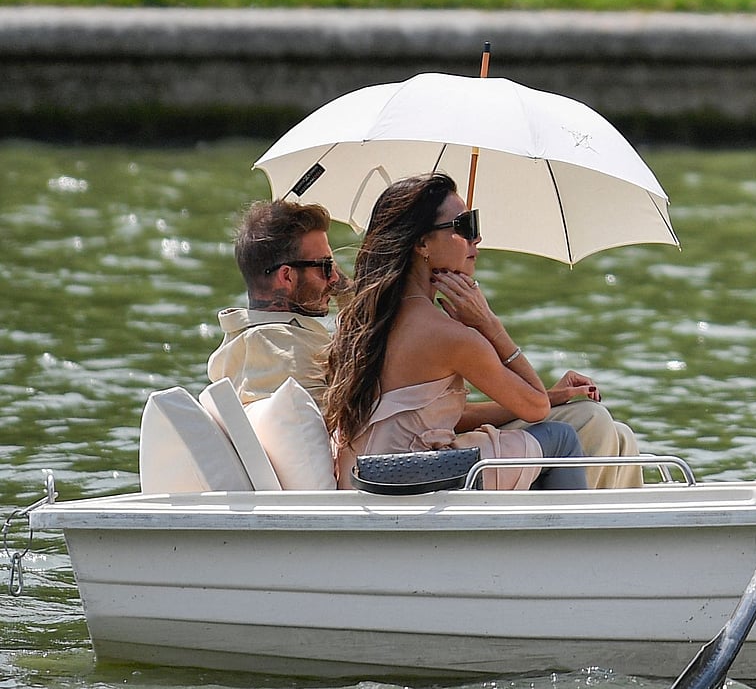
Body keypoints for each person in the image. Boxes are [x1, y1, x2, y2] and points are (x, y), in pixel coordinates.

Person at [324, 173, 594, 491]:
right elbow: (536, 407)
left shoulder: (359, 320)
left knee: (506, 447)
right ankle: (572, 538)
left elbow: (424, 417)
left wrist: (550, 394)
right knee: (559, 438)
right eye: (464, 227)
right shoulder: (450, 336)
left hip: (362, 478)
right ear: (422, 243)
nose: (476, 240)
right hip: (409, 481)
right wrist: (490, 325)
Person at [207, 199, 349, 409]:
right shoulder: (287, 353)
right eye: (325, 266)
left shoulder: (238, 345)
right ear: (287, 276)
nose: (335, 278)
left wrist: (348, 294)